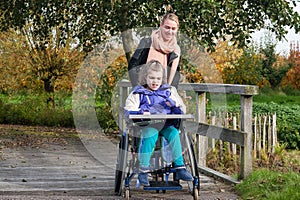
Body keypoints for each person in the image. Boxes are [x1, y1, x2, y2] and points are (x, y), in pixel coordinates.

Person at [124, 60, 193, 187]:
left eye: (158, 78)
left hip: (166, 124)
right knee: (151, 134)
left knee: (174, 133)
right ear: (145, 77)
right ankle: (143, 170)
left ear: (162, 79)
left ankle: (180, 167)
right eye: (151, 78)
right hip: (148, 125)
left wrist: (174, 106)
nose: (155, 81)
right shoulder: (138, 93)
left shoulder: (169, 91)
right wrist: (141, 112)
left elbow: (182, 108)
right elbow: (129, 109)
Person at [128, 12, 181, 88]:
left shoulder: (176, 50)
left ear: (177, 29)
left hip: (164, 92)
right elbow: (132, 66)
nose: (170, 32)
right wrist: (139, 88)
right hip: (144, 91)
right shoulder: (146, 42)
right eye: (167, 27)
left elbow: (176, 75)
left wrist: (170, 92)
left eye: (173, 29)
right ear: (161, 25)